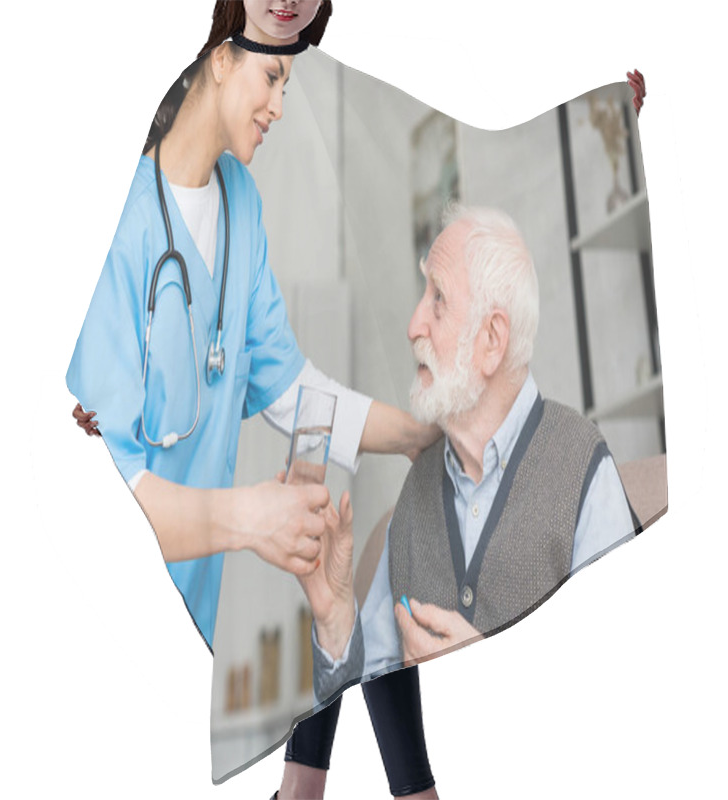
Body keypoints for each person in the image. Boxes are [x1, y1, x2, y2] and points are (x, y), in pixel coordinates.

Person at [68, 3, 439, 797]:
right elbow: (137, 479)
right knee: (335, 570)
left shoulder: (240, 199)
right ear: (219, 61)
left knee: (354, 561)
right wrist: (254, 517)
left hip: (238, 539)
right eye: (271, 77)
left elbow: (291, 387)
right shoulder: (125, 218)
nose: (279, 102)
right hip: (178, 558)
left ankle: (317, 791)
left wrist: (409, 434)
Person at [300, 205, 638, 701]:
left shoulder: (583, 469)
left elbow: (630, 680)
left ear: (491, 340)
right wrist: (333, 623)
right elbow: (362, 711)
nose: (414, 324)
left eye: (438, 298)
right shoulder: (414, 499)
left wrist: (491, 679)